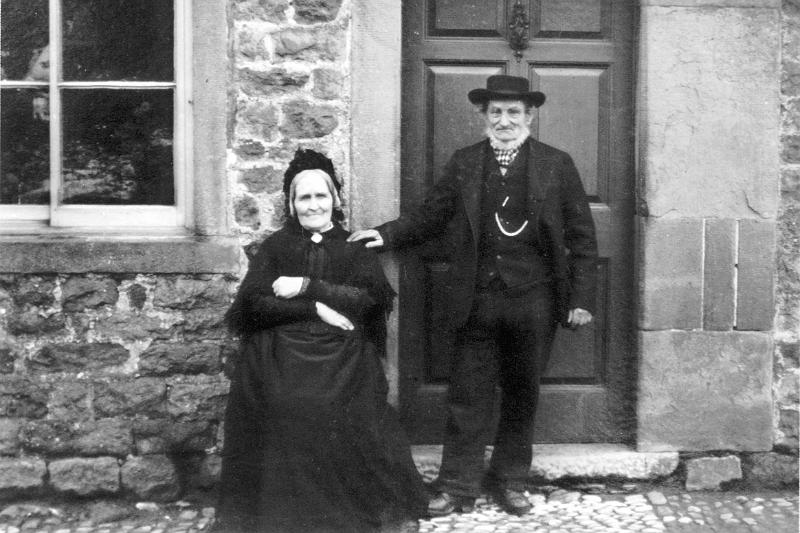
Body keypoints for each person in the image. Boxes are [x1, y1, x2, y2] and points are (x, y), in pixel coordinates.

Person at [348, 75, 598, 517]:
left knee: (523, 393)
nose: (505, 121)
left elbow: (582, 237)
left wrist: (580, 298)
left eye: (514, 112)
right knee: (468, 395)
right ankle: (457, 486)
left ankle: (511, 481)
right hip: (477, 300)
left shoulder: (556, 164)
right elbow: (431, 216)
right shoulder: (464, 163)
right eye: (496, 112)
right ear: (484, 117)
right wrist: (384, 235)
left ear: (530, 116)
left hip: (534, 301)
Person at [213, 149, 427, 533]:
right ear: (292, 205)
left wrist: (309, 286)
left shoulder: (353, 246)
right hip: (282, 355)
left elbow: (370, 300)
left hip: (343, 356)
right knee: (283, 399)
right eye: (304, 198)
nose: (313, 205)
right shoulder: (276, 247)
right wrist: (313, 309)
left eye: (320, 196)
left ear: (336, 200)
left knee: (347, 404)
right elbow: (250, 306)